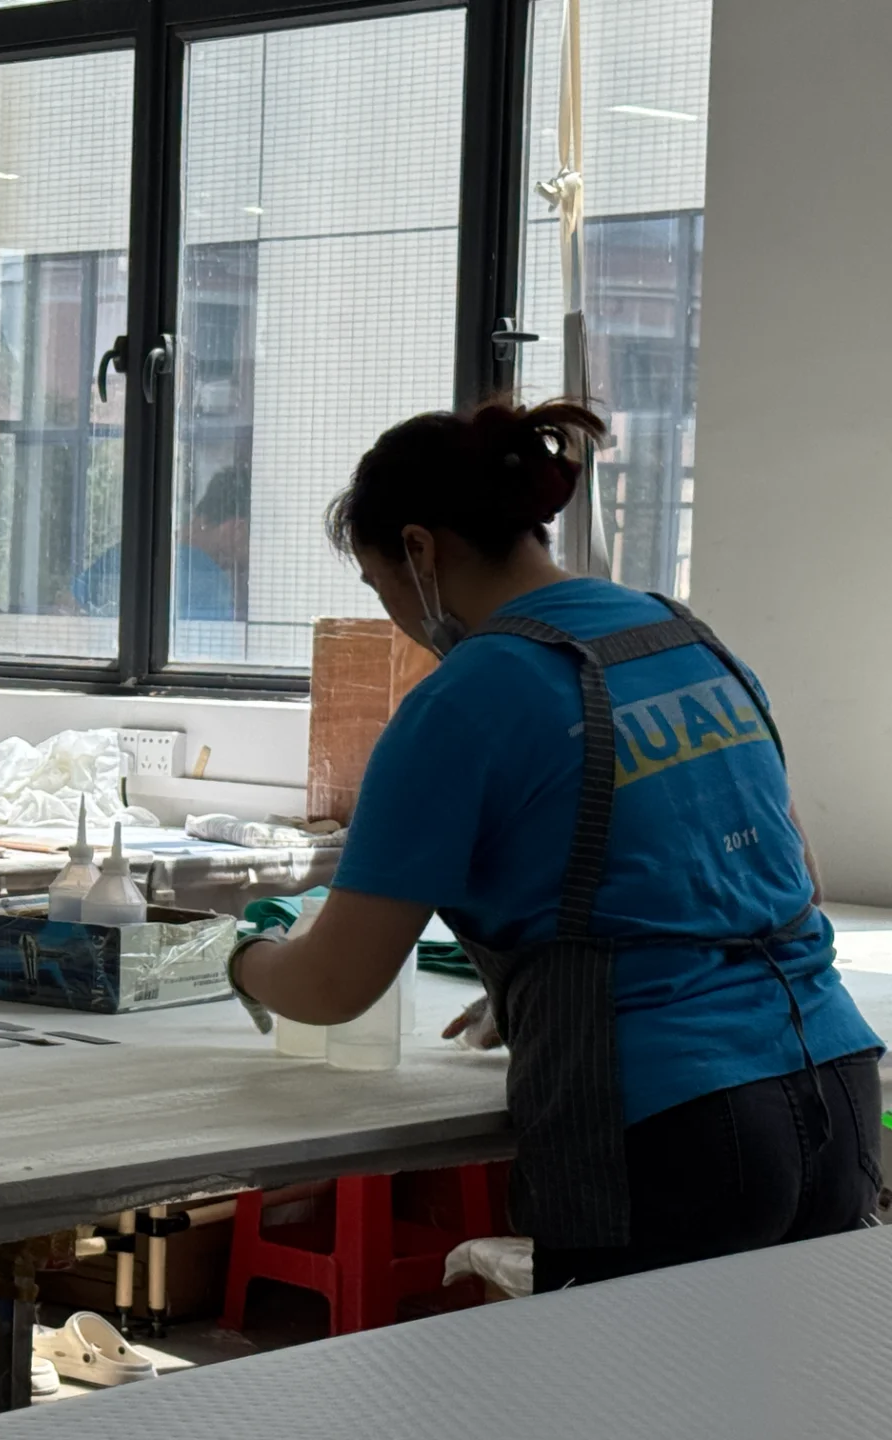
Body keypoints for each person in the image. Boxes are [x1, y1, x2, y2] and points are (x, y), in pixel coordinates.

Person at [228, 397, 882, 1290]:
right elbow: (783, 875)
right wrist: (554, 983)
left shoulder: (464, 701)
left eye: (382, 586)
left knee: (626, 1411)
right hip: (835, 1088)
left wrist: (250, 958)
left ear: (420, 550)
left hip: (672, 1130)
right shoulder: (683, 637)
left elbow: (334, 984)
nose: (398, 617)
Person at [74, 466, 248, 620]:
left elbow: (68, 603)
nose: (230, 569)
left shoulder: (131, 552)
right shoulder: (210, 580)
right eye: (238, 565)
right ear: (237, 528)